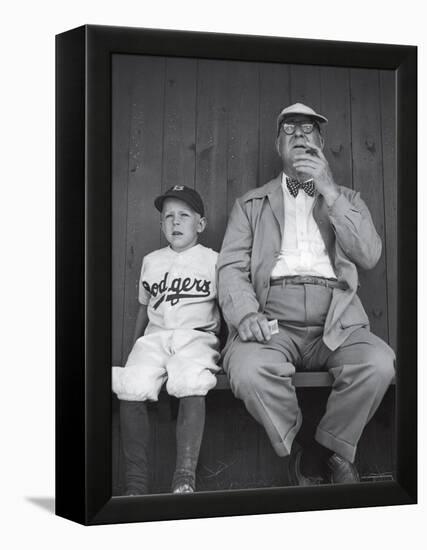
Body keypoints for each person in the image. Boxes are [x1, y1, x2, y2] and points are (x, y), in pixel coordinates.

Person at [217, 102, 395, 485]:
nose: (299, 135)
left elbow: (370, 254)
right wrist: (246, 314)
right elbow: (230, 267)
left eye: (308, 129)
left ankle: (326, 451)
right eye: (290, 129)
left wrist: (330, 192)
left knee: (379, 363)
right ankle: (306, 448)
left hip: (336, 317)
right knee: (247, 371)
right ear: (277, 145)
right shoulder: (251, 205)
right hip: (272, 320)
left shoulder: (346, 198)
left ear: (321, 142)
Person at [113, 185, 220, 495]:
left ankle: (184, 477)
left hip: (196, 338)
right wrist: (134, 346)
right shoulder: (151, 261)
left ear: (200, 224)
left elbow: (226, 307)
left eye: (184, 216)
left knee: (190, 379)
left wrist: (226, 349)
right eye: (168, 216)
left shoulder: (214, 261)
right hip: (156, 338)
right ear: (161, 224)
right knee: (130, 383)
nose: (175, 222)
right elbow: (144, 309)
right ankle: (136, 484)